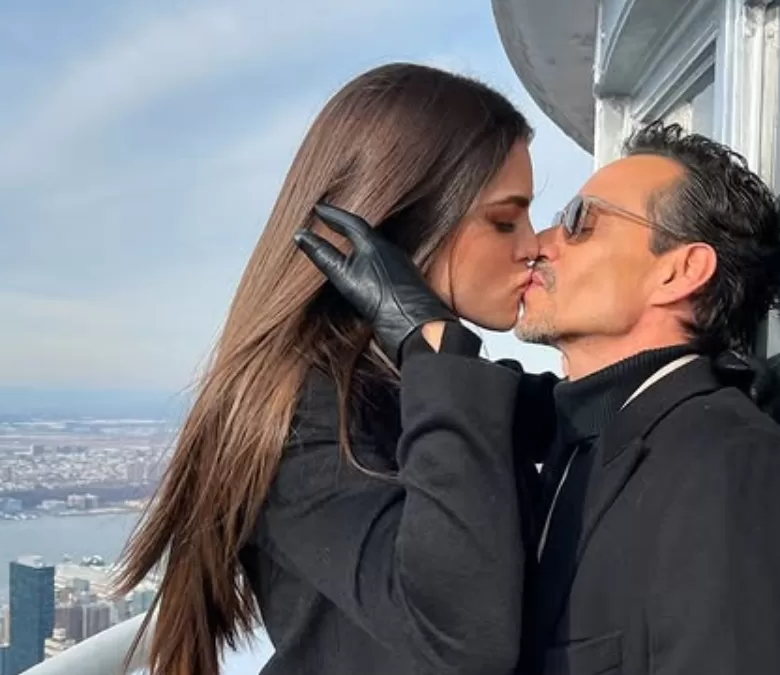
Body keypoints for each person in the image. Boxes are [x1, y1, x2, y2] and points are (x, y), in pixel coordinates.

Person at [114, 62, 542, 675]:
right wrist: (431, 338)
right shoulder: (307, 412)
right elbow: (463, 632)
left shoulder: (422, 386)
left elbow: (582, 413)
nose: (533, 246)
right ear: (396, 230)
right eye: (504, 221)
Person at [511, 121, 780, 675]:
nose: (539, 244)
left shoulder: (728, 464)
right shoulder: (582, 447)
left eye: (579, 221)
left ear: (680, 271)